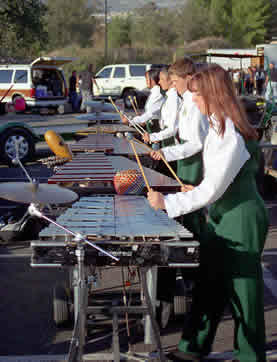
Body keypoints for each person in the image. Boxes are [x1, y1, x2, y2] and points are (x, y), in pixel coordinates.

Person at [147, 64, 269, 362]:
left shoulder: (230, 132)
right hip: (223, 215)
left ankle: (251, 356)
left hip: (241, 219)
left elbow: (214, 188)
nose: (195, 101)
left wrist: (169, 204)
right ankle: (193, 347)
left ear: (213, 94)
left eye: (198, 94)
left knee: (244, 293)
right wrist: (192, 191)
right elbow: (215, 181)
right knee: (209, 281)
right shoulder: (217, 124)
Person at [148, 58, 209, 329]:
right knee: (183, 224)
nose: (171, 85)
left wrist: (168, 151)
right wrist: (161, 144)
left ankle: (196, 280)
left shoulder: (195, 104)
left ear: (188, 77)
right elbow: (175, 131)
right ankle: (187, 280)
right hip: (182, 160)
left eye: (174, 80)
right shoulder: (185, 100)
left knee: (190, 225)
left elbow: (195, 143)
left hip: (192, 163)